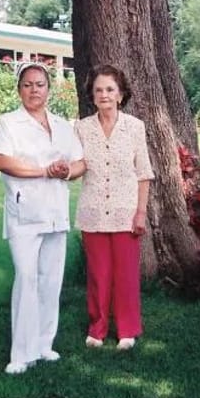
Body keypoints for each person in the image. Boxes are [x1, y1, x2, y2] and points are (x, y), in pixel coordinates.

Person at [0, 62, 85, 375]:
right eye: (28, 84)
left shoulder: (62, 125)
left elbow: (80, 162)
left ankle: (44, 345)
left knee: (50, 281)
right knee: (27, 279)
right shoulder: (8, 123)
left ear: (49, 89)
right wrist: (44, 170)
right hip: (25, 212)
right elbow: (3, 162)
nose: (34, 90)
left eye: (40, 84)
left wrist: (66, 171)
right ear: (19, 89)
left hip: (56, 212)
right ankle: (21, 354)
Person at [74, 64, 154, 351]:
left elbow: (143, 172)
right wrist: (62, 170)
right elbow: (78, 165)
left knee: (125, 276)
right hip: (92, 212)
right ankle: (97, 329)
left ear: (121, 95)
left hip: (126, 212)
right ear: (91, 96)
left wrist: (141, 212)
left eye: (110, 89)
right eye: (98, 90)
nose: (104, 94)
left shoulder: (135, 127)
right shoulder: (81, 128)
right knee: (98, 275)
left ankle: (127, 331)